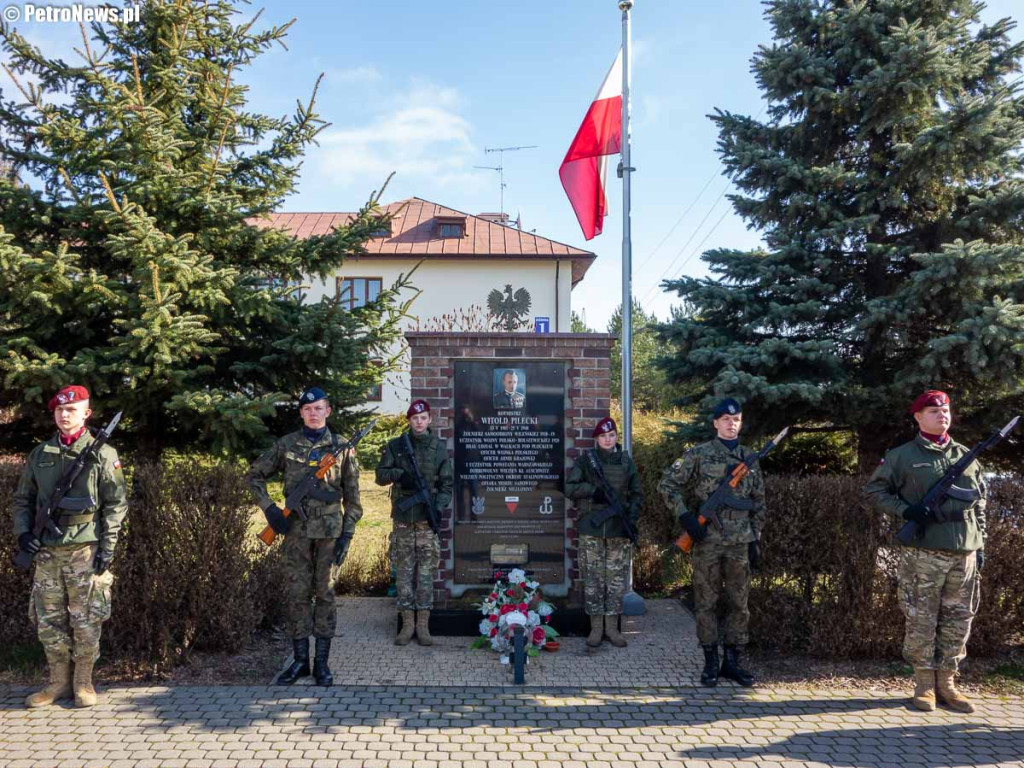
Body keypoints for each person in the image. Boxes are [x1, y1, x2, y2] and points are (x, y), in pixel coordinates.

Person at [864, 390, 984, 713]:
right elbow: (875, 491)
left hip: (964, 553)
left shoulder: (965, 455)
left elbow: (979, 502)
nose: (941, 415)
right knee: (921, 619)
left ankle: (947, 683)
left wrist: (980, 543)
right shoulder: (902, 456)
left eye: (945, 410)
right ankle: (924, 684)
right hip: (924, 554)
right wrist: (906, 511)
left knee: (959, 619)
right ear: (917, 417)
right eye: (933, 411)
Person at [12, 385, 127, 708]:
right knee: (49, 621)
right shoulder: (41, 454)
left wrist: (108, 546)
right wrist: (23, 534)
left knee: (86, 619)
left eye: (72, 409)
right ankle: (57, 682)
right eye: (60, 410)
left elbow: (116, 505)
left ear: (86, 414)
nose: (65, 415)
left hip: (84, 550)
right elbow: (23, 500)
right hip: (47, 552)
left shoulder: (103, 454)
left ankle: (83, 683)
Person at [246, 386, 362, 686]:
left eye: (319, 408)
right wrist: (270, 508)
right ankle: (299, 662)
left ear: (328, 411)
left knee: (325, 594)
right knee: (297, 595)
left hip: (329, 535)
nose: (314, 413)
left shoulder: (342, 448)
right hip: (294, 532)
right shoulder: (286, 445)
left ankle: (321, 664)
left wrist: (347, 535)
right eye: (308, 409)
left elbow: (354, 499)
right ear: (301, 412)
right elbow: (254, 475)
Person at [658, 398, 765, 687]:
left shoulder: (749, 457)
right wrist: (686, 518)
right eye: (727, 420)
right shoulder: (699, 454)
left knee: (739, 604)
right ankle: (710, 662)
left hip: (740, 542)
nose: (732, 424)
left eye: (737, 419)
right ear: (716, 423)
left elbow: (759, 502)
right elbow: (667, 485)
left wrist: (756, 538)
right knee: (706, 603)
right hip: (707, 542)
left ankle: (732, 662)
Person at [375, 399, 452, 646]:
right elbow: (380, 476)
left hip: (425, 520)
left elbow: (447, 484)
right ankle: (407, 624)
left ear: (430, 420)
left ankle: (423, 625)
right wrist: (400, 475)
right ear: (409, 421)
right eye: (414, 418)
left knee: (426, 571)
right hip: (403, 519)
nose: (419, 422)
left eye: (423, 418)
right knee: (404, 571)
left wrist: (437, 508)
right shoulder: (396, 446)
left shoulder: (438, 448)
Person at [565, 416, 642, 648]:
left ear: (617, 437)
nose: (608, 440)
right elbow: (569, 487)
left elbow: (637, 494)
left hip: (618, 530)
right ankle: (596, 629)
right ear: (597, 439)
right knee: (594, 580)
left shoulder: (626, 463)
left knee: (615, 581)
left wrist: (631, 517)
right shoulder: (587, 461)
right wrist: (593, 491)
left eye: (612, 435)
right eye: (603, 436)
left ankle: (612, 628)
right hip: (592, 528)